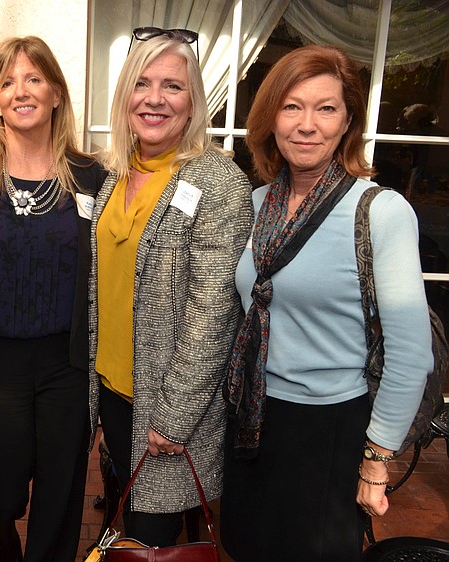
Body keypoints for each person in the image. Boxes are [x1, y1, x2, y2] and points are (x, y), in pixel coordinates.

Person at [220, 45, 433, 562]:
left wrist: (376, 460)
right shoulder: (257, 203)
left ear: (347, 122)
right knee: (245, 546)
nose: (307, 125)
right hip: (252, 417)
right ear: (271, 119)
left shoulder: (380, 212)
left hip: (330, 430)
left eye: (326, 108)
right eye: (292, 107)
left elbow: (410, 354)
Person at [88, 28, 253, 547]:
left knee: (152, 537)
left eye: (172, 86)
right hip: (114, 391)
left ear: (193, 102)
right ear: (125, 96)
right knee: (133, 529)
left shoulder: (217, 181)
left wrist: (174, 416)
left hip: (167, 405)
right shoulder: (115, 174)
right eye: (142, 83)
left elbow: (214, 311)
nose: (154, 98)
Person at [0, 37, 107, 561]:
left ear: (57, 94)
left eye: (34, 79)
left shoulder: (90, 176)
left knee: (61, 491)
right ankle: (4, 545)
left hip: (68, 362)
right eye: (8, 82)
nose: (22, 91)